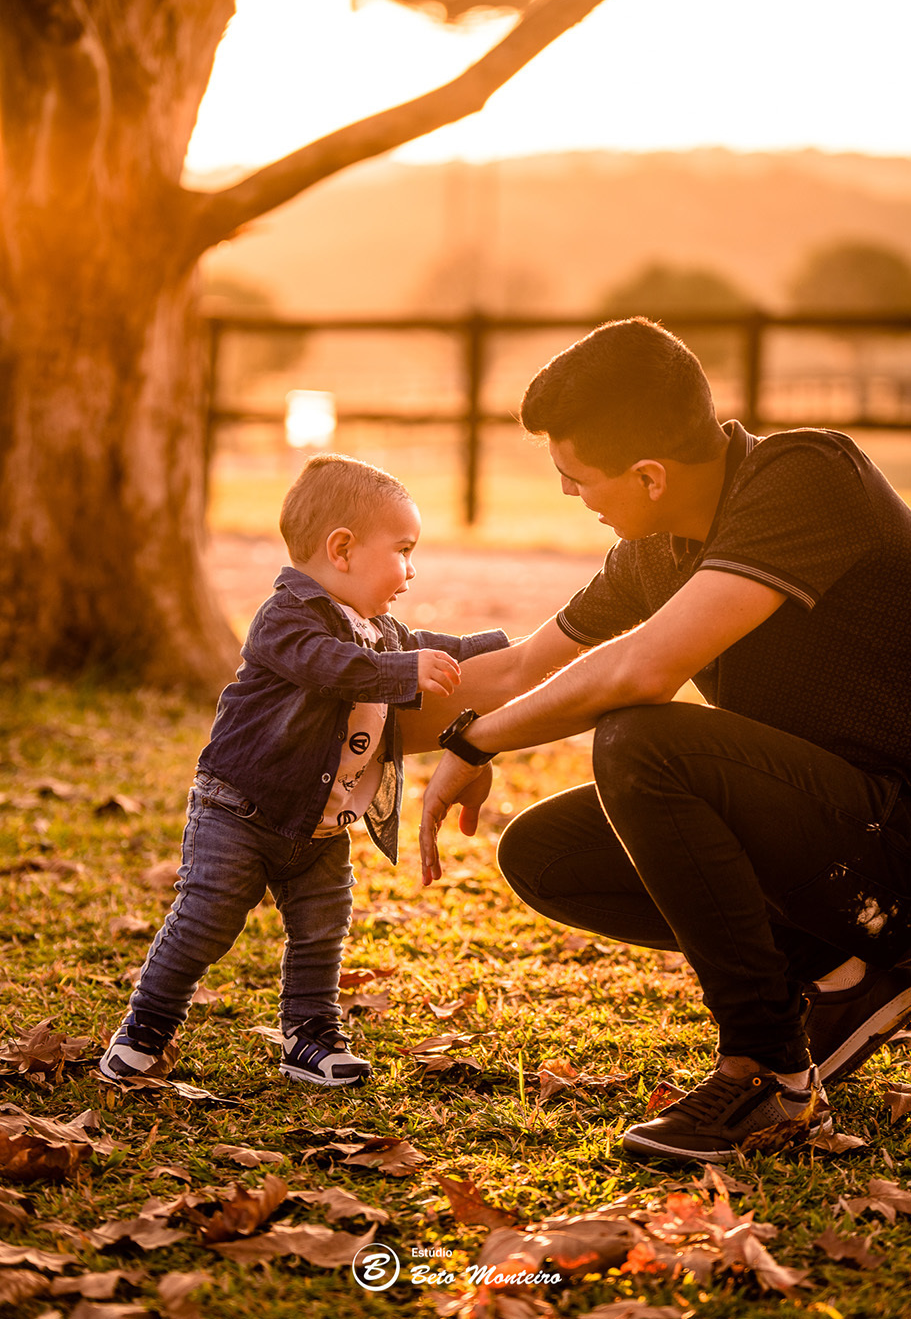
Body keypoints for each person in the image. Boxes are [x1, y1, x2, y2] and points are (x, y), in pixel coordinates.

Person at [421, 316, 911, 1164]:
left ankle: (768, 1073)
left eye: (577, 477)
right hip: (837, 836)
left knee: (642, 744)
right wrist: (331, 726)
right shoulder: (655, 549)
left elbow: (640, 671)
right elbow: (522, 667)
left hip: (896, 821)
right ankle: (842, 969)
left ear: (648, 474)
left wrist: (476, 744)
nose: (571, 495)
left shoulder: (805, 475)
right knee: (546, 852)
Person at [100, 453, 511, 1089]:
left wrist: (501, 648)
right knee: (206, 921)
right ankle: (148, 1024)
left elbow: (436, 647)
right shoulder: (285, 618)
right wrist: (407, 671)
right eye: (403, 550)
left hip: (320, 827)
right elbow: (331, 667)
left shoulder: (379, 628)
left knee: (322, 933)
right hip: (239, 812)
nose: (410, 570)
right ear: (341, 549)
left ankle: (310, 1036)